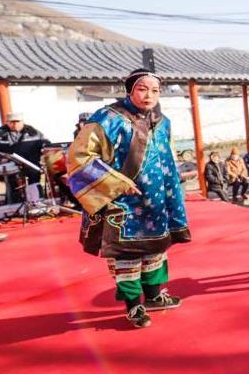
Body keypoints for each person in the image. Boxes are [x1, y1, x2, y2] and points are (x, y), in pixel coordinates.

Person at [67, 69, 189, 328]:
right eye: (142, 89)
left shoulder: (163, 121)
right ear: (130, 91)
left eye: (155, 90)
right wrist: (117, 183)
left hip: (155, 199)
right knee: (127, 255)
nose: (149, 95)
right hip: (122, 201)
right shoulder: (107, 118)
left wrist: (172, 194)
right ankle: (134, 306)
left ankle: (154, 296)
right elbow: (80, 157)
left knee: (156, 250)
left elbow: (168, 158)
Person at [0, 111, 50, 186]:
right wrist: (0, 159)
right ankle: (14, 192)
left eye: (17, 122)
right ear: (7, 122)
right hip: (9, 164)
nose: (15, 124)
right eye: (11, 122)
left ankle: (34, 193)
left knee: (34, 177)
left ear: (22, 121)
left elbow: (47, 146)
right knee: (11, 182)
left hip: (31, 163)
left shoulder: (33, 132)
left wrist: (43, 155)